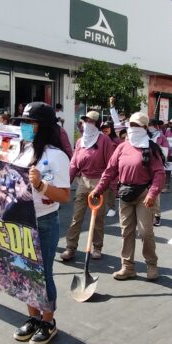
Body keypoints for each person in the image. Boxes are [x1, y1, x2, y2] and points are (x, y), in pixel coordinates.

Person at [0, 102, 70, 344]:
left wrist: (41, 186)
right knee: (25, 272)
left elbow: (65, 196)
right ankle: (33, 318)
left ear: (43, 126)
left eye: (30, 122)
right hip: (21, 220)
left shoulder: (56, 156)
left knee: (43, 274)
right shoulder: (22, 150)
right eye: (23, 122)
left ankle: (48, 321)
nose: (24, 126)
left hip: (44, 221)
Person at [91, 111, 165, 281]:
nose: (133, 128)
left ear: (145, 128)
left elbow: (159, 173)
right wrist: (99, 189)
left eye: (137, 125)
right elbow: (110, 170)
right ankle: (127, 267)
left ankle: (151, 264)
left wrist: (153, 193)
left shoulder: (151, 148)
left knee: (146, 232)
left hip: (144, 195)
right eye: (131, 125)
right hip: (125, 194)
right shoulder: (122, 147)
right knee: (126, 232)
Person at [61, 109, 115, 262]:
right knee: (76, 217)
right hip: (83, 182)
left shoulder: (104, 140)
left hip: (99, 181)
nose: (87, 124)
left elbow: (110, 166)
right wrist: (66, 183)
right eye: (86, 121)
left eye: (91, 121)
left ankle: (97, 247)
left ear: (97, 124)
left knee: (97, 219)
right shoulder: (80, 141)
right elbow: (74, 164)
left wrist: (102, 185)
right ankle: (70, 247)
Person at [149, 118, 170, 226]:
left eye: (150, 125)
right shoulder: (145, 136)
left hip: (157, 168)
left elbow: (166, 151)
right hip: (145, 168)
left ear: (156, 126)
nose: (149, 127)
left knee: (155, 193)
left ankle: (157, 215)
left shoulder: (161, 137)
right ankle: (148, 214)